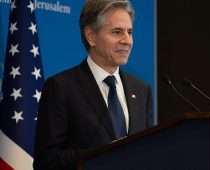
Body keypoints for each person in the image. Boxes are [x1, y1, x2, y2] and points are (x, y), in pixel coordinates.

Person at [33, 0, 153, 169]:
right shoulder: (61, 87)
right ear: (91, 36)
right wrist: (102, 155)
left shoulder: (141, 90)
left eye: (130, 32)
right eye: (117, 32)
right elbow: (47, 161)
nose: (127, 41)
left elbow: (150, 151)